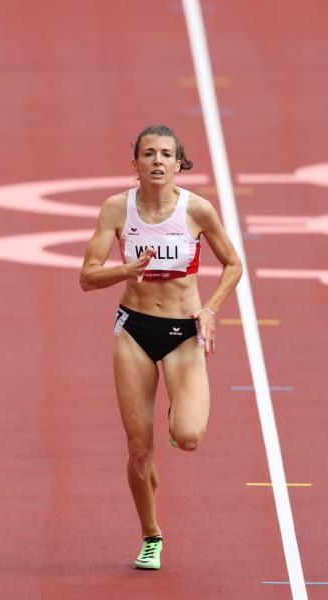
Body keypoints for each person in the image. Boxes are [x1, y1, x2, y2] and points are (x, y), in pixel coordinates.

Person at [79, 125, 243, 569]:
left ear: (178, 163)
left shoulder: (197, 210)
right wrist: (123, 270)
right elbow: (87, 277)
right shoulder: (117, 209)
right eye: (148, 153)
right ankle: (151, 534)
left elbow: (233, 264)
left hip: (183, 332)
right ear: (134, 164)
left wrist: (209, 308)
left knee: (187, 437)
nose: (156, 160)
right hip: (134, 330)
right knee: (139, 450)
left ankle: (178, 409)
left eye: (165, 154)